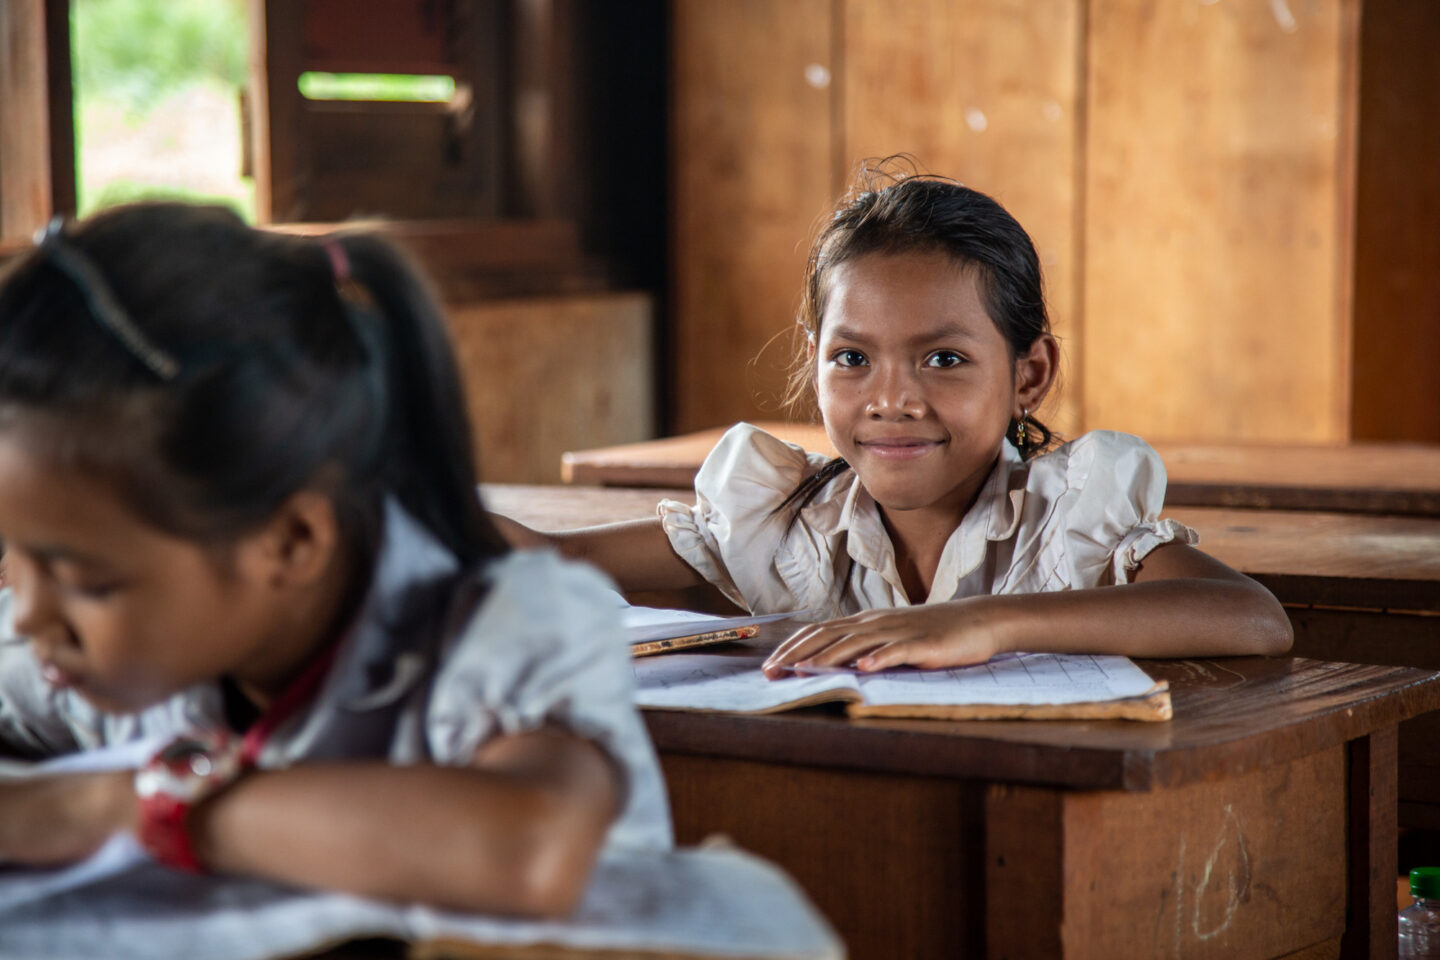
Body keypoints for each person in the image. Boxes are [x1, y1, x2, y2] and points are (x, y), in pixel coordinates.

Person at [0, 204, 669, 916]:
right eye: (11, 556)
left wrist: (119, 804)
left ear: (292, 542)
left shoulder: (510, 631)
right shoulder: (114, 654)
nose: (35, 612)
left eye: (85, 580)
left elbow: (526, 851)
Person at [495, 164, 1293, 678]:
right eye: (852, 359)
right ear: (814, 360)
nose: (891, 399)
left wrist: (982, 624)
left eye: (942, 360)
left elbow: (1253, 617)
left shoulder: (1067, 526)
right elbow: (551, 558)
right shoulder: (783, 524)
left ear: (1031, 374)